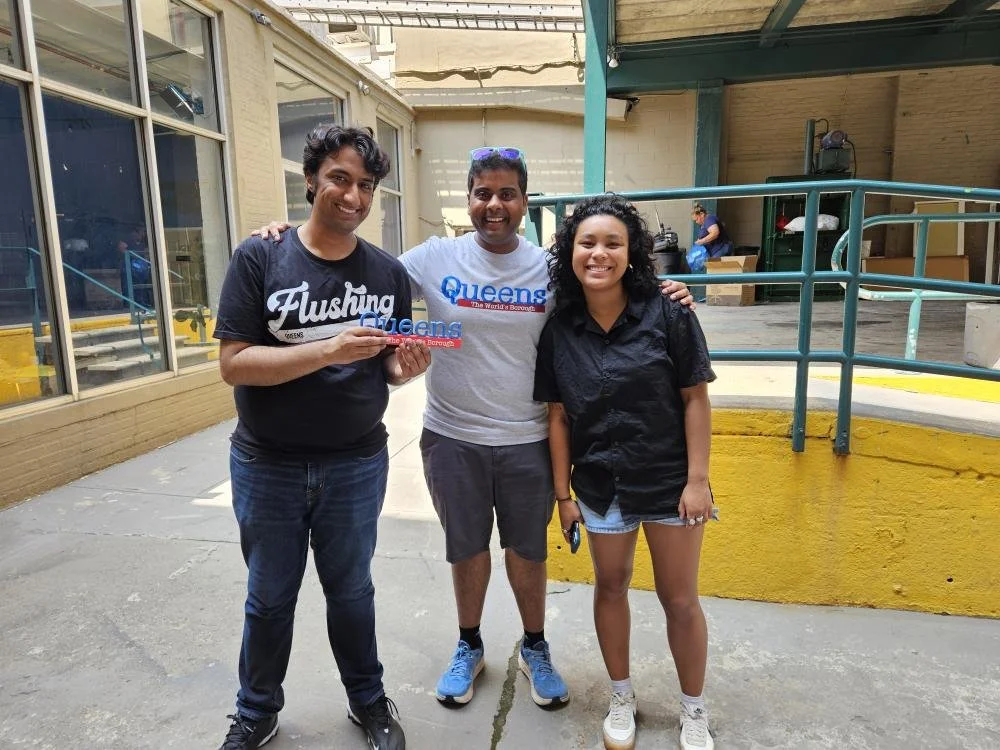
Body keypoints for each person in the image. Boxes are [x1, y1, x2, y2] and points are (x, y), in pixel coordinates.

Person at [254, 147, 694, 714]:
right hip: (452, 435)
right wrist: (293, 232)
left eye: (507, 193)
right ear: (468, 200)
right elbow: (356, 262)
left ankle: (536, 647)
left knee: (527, 553)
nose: (494, 204)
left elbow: (606, 283)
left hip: (528, 438)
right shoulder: (434, 257)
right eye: (483, 193)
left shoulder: (547, 266)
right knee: (466, 551)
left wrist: (665, 290)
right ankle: (470, 644)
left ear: (524, 202)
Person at [214, 124, 430, 750]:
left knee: (352, 592)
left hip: (356, 464)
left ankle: (368, 700)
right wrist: (327, 348)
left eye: (366, 185)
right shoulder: (262, 256)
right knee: (269, 597)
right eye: (339, 178)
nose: (353, 196)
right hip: (268, 463)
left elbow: (383, 366)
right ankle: (256, 711)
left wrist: (402, 366)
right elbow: (233, 363)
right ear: (310, 180)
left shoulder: (387, 274)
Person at [534, 194, 717, 750]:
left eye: (613, 243)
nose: (599, 254)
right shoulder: (559, 329)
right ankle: (621, 695)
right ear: (570, 252)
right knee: (610, 586)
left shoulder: (670, 310)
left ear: (631, 250)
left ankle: (693, 709)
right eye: (587, 243)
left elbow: (695, 399)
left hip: (668, 481)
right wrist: (563, 494)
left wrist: (697, 480)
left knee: (679, 598)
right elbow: (558, 417)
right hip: (599, 485)